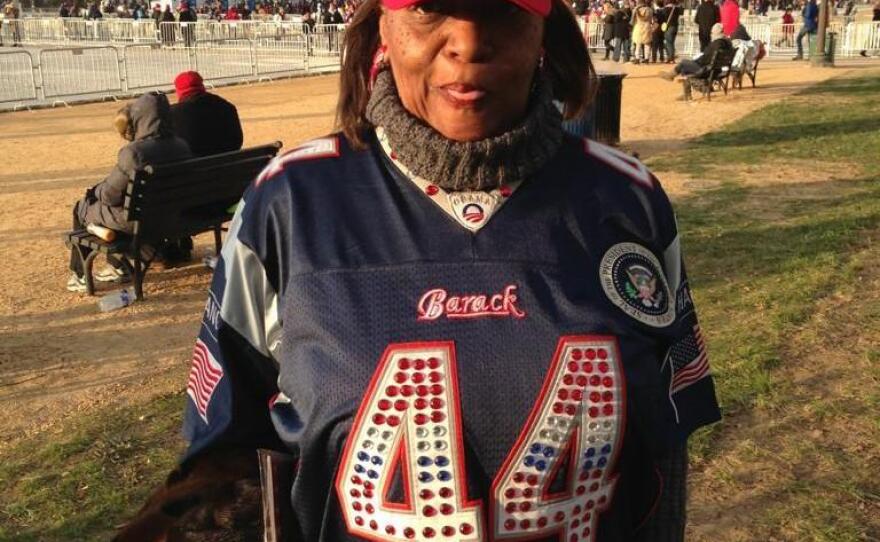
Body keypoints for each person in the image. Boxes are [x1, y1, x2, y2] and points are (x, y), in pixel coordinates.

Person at [115, 0, 721, 540]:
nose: (467, 42)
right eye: (430, 11)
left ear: (544, 28)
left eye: (500, 11)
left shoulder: (628, 200)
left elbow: (663, 448)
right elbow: (230, 453)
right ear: (384, 22)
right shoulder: (290, 205)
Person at [66, 93, 191, 291]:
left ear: (139, 119)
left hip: (137, 221)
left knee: (82, 208)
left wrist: (93, 192)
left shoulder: (134, 152)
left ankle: (80, 274)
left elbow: (109, 195)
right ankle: (118, 265)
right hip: (171, 217)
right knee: (126, 205)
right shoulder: (182, 146)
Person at [659, 22, 732, 98]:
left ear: (716, 33)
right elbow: (710, 58)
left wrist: (696, 61)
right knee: (686, 65)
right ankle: (684, 90)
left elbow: (706, 58)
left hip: (707, 69)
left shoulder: (717, 43)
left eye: (712, 33)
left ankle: (672, 76)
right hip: (716, 69)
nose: (711, 34)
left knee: (683, 63)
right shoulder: (726, 43)